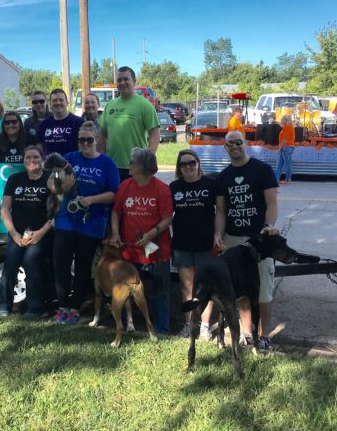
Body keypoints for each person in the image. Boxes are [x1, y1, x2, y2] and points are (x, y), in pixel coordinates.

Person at [214, 130, 279, 351]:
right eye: (229, 144)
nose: (234, 147)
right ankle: (245, 332)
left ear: (246, 143)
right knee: (240, 290)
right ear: (225, 148)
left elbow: (271, 203)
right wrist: (218, 235)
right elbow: (221, 212)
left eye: (238, 143)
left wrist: (269, 226)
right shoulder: (222, 177)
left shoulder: (262, 170)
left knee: (263, 290)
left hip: (258, 240)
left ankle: (265, 335)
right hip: (233, 240)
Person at [51, 121, 119, 324]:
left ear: (97, 140)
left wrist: (91, 200)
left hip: (91, 224)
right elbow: (51, 182)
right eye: (81, 140)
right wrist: (62, 186)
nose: (85, 143)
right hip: (65, 221)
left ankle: (75, 308)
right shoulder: (70, 159)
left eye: (89, 139)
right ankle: (62, 307)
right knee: (61, 265)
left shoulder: (107, 164)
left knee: (82, 268)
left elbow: (114, 194)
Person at [110, 148, 173, 335]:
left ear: (144, 167)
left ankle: (162, 330)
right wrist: (115, 234)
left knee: (159, 291)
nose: (128, 165)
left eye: (132, 162)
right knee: (123, 290)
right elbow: (116, 212)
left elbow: (167, 218)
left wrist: (150, 234)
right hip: (129, 250)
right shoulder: (125, 186)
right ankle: (123, 327)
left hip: (157, 249)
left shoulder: (161, 188)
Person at [0, 145, 52, 317]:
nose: (32, 160)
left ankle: (37, 309)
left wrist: (41, 232)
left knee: (30, 260)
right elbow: (5, 209)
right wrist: (14, 234)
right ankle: (4, 306)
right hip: (18, 233)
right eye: (28, 157)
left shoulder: (50, 179)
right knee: (11, 264)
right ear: (23, 160)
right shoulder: (15, 179)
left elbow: (57, 211)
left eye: (36, 157)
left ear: (42, 158)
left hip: (42, 233)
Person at [169, 149, 217, 339]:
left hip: (206, 243)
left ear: (198, 163)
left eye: (191, 162)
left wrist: (219, 235)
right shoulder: (174, 187)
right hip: (182, 243)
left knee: (206, 286)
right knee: (187, 286)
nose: (188, 167)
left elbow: (220, 212)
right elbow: (166, 215)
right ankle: (189, 325)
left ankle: (204, 326)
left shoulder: (210, 184)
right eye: (183, 164)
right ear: (179, 168)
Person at [98, 67, 160, 182]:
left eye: (126, 79)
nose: (122, 82)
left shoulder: (144, 105)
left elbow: (154, 134)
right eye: (119, 80)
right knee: (114, 199)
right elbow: (102, 134)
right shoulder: (109, 106)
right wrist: (101, 157)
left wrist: (147, 159)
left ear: (134, 81)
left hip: (137, 167)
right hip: (112, 166)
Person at [37, 88, 83, 156]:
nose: (58, 103)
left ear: (67, 102)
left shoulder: (79, 123)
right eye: (54, 100)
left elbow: (84, 147)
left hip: (71, 165)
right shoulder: (43, 124)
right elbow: (40, 147)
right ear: (50, 104)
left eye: (61, 100)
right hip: (49, 165)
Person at [276, 114, 296, 184]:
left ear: (285, 120)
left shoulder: (288, 127)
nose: (281, 121)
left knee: (286, 164)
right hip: (285, 147)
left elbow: (285, 139)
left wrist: (280, 147)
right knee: (279, 163)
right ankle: (277, 178)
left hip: (286, 147)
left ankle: (288, 179)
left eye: (282, 119)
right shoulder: (288, 127)